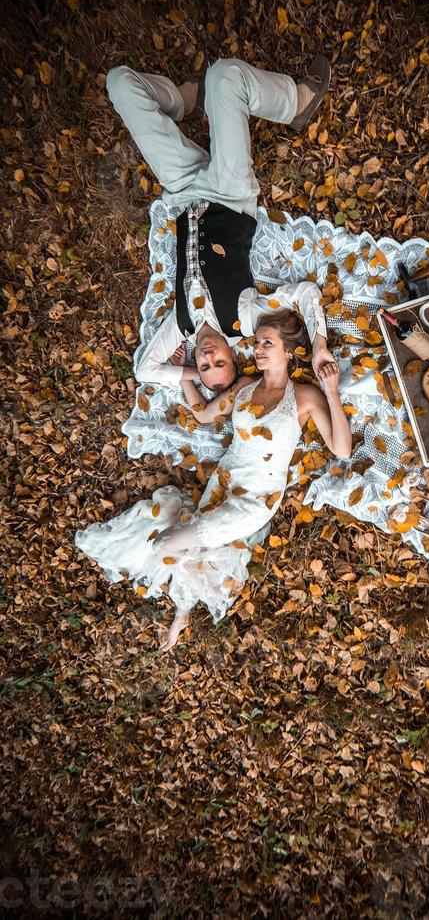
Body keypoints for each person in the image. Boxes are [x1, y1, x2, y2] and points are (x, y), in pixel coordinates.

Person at [75, 311, 352, 651]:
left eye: (268, 343)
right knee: (196, 547)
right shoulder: (244, 387)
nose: (258, 350)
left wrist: (332, 391)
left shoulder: (305, 397)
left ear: (290, 352)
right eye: (257, 343)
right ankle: (184, 608)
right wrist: (182, 376)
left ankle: (182, 608)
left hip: (256, 501)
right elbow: (203, 414)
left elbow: (341, 449)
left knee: (166, 543)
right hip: (224, 482)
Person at [105, 53, 336, 389]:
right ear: (232, 352)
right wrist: (319, 344)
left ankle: (182, 100)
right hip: (231, 196)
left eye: (204, 365)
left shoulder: (180, 327)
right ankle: (296, 103)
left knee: (119, 83)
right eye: (220, 362)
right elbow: (304, 292)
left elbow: (145, 370)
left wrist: (192, 376)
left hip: (182, 192)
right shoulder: (243, 320)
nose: (209, 355)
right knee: (224, 75)